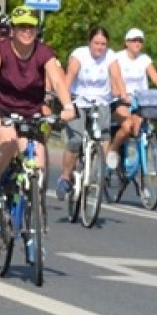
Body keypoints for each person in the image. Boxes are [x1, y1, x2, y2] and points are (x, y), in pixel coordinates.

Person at [0, 5, 76, 210]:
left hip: (31, 113)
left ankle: (33, 216)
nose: (26, 31)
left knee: (38, 164)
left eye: (31, 27)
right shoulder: (1, 50)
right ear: (13, 30)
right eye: (21, 27)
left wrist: (67, 106)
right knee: (9, 142)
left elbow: (58, 82)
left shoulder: (44, 52)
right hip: (2, 111)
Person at [59, 25, 121, 197]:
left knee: (105, 135)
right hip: (79, 100)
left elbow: (117, 77)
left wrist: (122, 94)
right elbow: (69, 78)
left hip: (101, 101)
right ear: (89, 42)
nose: (100, 47)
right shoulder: (79, 55)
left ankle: (99, 171)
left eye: (103, 44)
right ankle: (65, 177)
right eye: (96, 43)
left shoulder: (111, 56)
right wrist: (65, 101)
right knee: (76, 140)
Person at [108, 28, 157, 167]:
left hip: (140, 101)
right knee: (127, 126)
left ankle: (137, 159)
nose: (137, 43)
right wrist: (117, 91)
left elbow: (155, 76)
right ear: (126, 43)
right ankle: (113, 150)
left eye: (140, 41)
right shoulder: (117, 58)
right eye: (134, 40)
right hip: (122, 100)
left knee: (139, 129)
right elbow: (112, 76)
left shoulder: (144, 59)